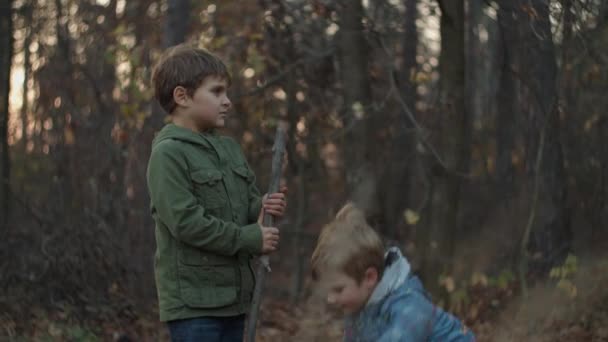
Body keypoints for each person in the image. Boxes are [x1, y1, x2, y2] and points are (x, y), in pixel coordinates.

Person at [146, 44, 287, 342]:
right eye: (217, 92)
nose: (228, 102)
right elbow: (188, 224)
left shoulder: (229, 149)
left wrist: (262, 207)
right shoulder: (168, 155)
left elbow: (244, 204)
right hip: (195, 308)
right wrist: (251, 238)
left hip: (234, 301)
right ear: (182, 96)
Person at [311, 203, 475, 341]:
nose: (330, 299)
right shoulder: (357, 308)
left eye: (339, 289)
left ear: (369, 277)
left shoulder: (408, 305)